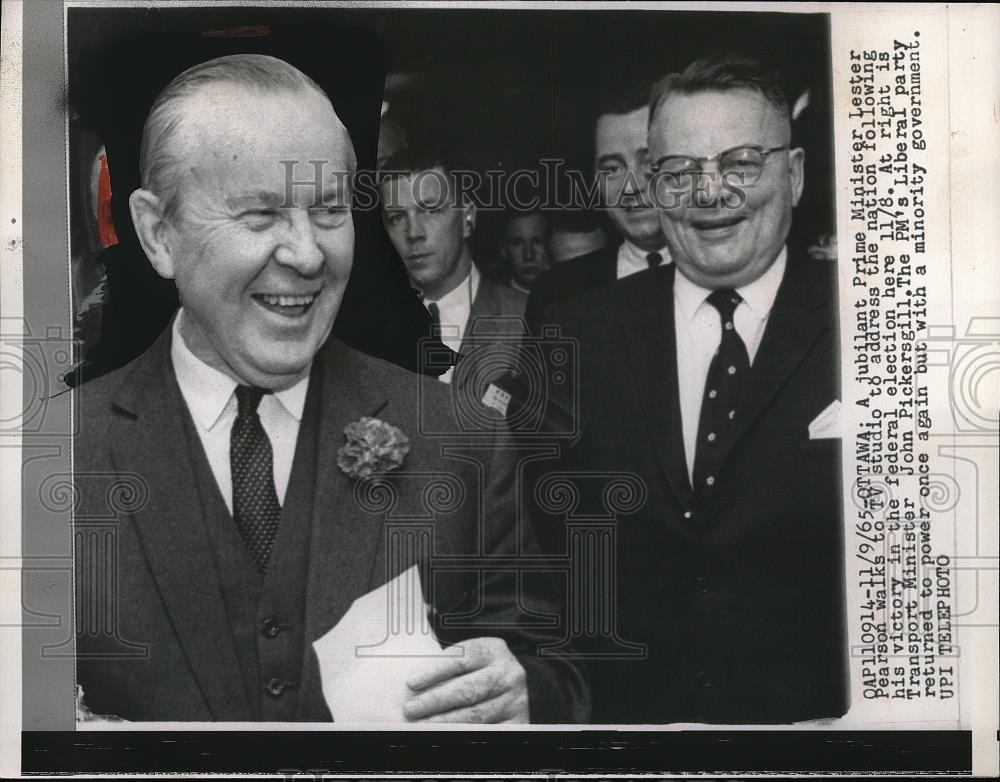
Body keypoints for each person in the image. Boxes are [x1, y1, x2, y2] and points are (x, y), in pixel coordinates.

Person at [73, 54, 588, 724]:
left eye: (328, 210)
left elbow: (558, 672)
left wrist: (524, 695)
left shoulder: (463, 440)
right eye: (260, 214)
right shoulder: (52, 455)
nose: (308, 254)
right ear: (157, 232)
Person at [538, 53, 846, 724]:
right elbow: (537, 555)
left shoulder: (874, 324)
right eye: (679, 172)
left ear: (792, 176)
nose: (709, 194)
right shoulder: (571, 337)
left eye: (740, 163)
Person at [380, 145, 528, 394]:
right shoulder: (374, 329)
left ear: (467, 219)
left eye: (431, 210)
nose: (413, 233)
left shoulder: (525, 320)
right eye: (397, 217)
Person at [526, 83, 670, 331]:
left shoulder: (722, 273)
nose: (630, 187)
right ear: (596, 179)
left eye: (648, 163)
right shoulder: (555, 294)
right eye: (612, 169)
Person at [499, 210, 552, 294]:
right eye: (517, 244)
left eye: (537, 242)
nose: (528, 255)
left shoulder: (572, 298)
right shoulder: (489, 302)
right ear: (504, 250)